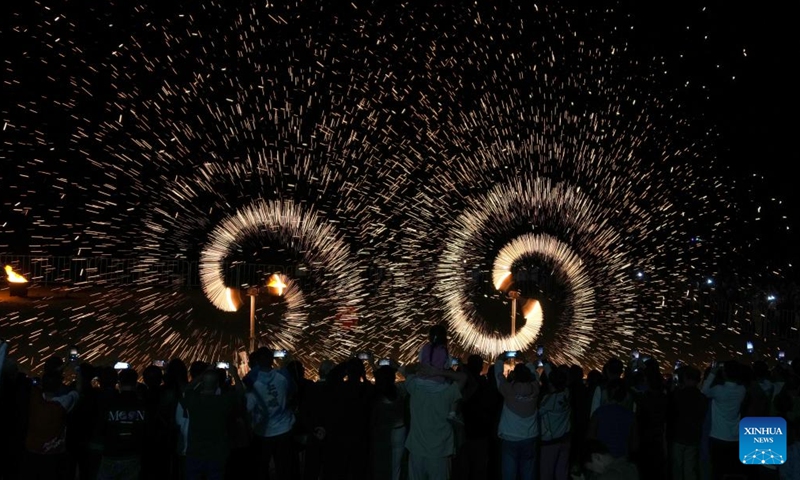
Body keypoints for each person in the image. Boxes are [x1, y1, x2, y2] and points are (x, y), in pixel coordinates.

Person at [404, 360, 466, 480]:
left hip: (416, 450)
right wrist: (439, 372)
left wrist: (419, 367)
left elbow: (407, 370)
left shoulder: (414, 387)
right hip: (440, 452)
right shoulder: (448, 391)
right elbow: (463, 377)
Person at [182, 365, 243, 480]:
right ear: (217, 385)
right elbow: (240, 392)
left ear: (202, 384)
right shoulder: (224, 401)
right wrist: (235, 374)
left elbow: (187, 389)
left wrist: (203, 374)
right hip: (218, 454)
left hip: (195, 452)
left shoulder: (192, 399)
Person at [245, 347, 295, 480]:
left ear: (256, 362)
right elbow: (292, 393)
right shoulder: (283, 375)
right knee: (284, 468)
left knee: (261, 468)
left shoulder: (253, 381)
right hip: (284, 428)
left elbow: (248, 406)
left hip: (263, 431)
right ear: (272, 360)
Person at [22, 369, 80, 480]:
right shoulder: (63, 403)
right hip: (53, 457)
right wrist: (76, 370)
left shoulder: (33, 399)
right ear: (59, 386)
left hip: (31, 454)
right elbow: (77, 391)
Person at [494, 354, 541, 480]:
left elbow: (498, 376)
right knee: (528, 473)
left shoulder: (508, 389)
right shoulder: (536, 388)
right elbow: (535, 375)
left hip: (510, 437)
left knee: (509, 473)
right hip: (530, 437)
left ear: (514, 375)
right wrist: (528, 362)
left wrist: (500, 360)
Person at [96, 368, 147, 480]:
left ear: (119, 383)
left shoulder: (108, 403)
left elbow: (100, 428)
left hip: (110, 453)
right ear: (136, 383)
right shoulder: (143, 405)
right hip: (132, 454)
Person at [701, 361, 746, 480]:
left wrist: (712, 373)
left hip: (717, 435)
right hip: (734, 436)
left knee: (717, 470)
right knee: (730, 470)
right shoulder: (742, 390)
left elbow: (704, 391)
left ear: (725, 373)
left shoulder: (718, 389)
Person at [667, 366, 708, 480]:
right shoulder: (702, 398)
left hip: (678, 435)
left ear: (685, 378)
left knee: (677, 468)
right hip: (693, 436)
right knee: (690, 468)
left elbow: (671, 414)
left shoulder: (677, 395)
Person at [370, 364, 407, 480]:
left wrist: (372, 365)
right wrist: (398, 367)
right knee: (396, 465)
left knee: (381, 462)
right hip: (399, 430)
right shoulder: (400, 389)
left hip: (382, 432)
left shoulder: (375, 393)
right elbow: (411, 379)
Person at [539, 366, 571, 480]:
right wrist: (547, 365)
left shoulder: (549, 400)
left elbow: (536, 413)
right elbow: (556, 380)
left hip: (551, 441)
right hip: (565, 439)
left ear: (550, 383)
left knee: (546, 473)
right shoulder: (566, 393)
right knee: (562, 473)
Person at [571, 439, 638, 480]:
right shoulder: (628, 466)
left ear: (597, 457)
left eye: (592, 469)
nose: (595, 473)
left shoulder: (612, 475)